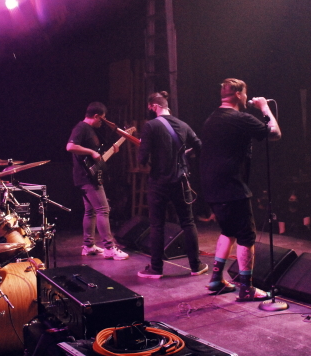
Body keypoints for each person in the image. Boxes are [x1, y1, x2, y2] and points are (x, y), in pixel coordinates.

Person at [201, 78, 281, 301]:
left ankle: (216, 280)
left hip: (212, 186)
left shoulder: (211, 119)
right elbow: (274, 133)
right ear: (237, 94)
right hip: (231, 186)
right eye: (245, 94)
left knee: (229, 231)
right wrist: (264, 107)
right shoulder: (239, 118)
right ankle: (246, 288)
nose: (247, 98)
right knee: (247, 235)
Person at [136, 91, 207, 278]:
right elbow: (200, 147)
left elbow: (142, 159)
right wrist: (185, 155)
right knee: (188, 222)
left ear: (154, 106)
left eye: (150, 108)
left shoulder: (150, 126)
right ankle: (196, 266)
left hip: (158, 183)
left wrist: (144, 146)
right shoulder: (183, 125)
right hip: (181, 182)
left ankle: (156, 269)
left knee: (157, 225)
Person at [66, 102, 129, 260]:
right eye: (102, 119)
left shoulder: (91, 131)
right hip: (86, 178)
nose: (102, 122)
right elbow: (70, 147)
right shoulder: (81, 128)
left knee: (91, 211)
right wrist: (92, 151)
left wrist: (110, 151)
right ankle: (109, 247)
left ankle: (88, 246)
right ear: (96, 116)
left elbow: (97, 158)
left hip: (88, 176)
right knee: (103, 210)